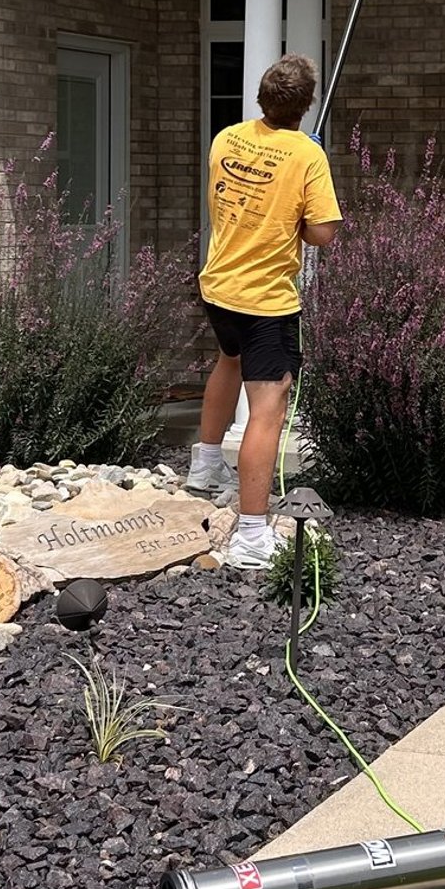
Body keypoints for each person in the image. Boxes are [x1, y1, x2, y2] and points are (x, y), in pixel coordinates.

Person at [187, 52, 341, 569]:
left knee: (227, 361)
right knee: (268, 407)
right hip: (265, 301)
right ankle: (252, 534)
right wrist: (309, 166)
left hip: (219, 287)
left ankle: (205, 467)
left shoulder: (226, 139)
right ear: (306, 104)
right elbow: (323, 234)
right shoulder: (306, 157)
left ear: (261, 97)